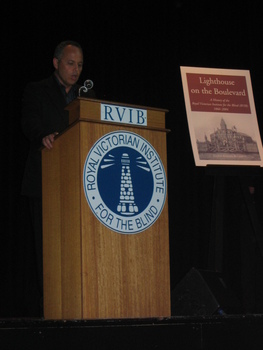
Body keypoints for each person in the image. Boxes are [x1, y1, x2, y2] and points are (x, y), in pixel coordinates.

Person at [21, 40, 95, 315]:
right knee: (48, 251)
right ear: (56, 63)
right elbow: (28, 122)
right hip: (46, 182)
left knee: (77, 248)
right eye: (70, 63)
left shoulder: (85, 95)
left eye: (80, 65)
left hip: (78, 185)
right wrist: (44, 135)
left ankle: (79, 305)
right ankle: (50, 310)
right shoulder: (37, 90)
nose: (76, 70)